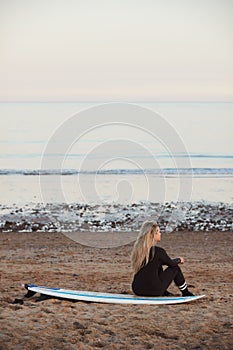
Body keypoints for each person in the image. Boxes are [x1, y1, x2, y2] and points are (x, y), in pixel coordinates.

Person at [131, 221, 194, 297]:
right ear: (153, 234)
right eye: (159, 231)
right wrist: (179, 260)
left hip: (137, 289)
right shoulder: (158, 251)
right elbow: (171, 263)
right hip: (154, 291)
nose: (160, 234)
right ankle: (186, 292)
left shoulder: (138, 251)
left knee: (157, 267)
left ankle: (164, 292)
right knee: (175, 268)